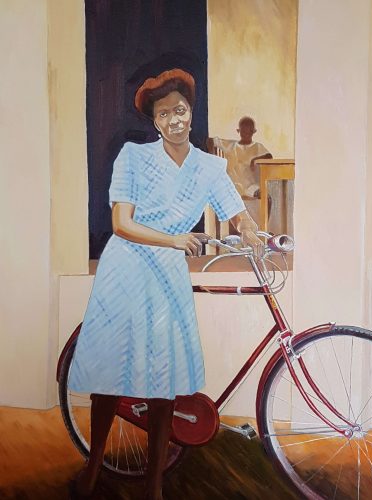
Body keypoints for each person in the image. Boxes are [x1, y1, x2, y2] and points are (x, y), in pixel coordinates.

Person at [68, 69, 263, 500]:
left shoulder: (210, 167)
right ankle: (93, 468)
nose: (174, 120)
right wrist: (174, 239)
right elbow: (121, 223)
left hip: (167, 276)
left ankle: (154, 486)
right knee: (110, 377)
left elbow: (236, 211)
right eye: (163, 114)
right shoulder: (133, 158)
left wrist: (252, 232)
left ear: (191, 112)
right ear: (155, 122)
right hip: (126, 268)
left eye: (180, 110)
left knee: (164, 384)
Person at [208, 117, 272, 224]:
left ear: (253, 131)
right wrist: (212, 156)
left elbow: (269, 156)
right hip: (233, 186)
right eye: (243, 132)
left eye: (249, 132)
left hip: (251, 187)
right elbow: (210, 141)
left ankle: (263, 226)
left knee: (267, 197)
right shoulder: (230, 145)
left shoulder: (257, 147)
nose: (246, 134)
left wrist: (255, 159)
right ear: (238, 131)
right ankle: (232, 229)